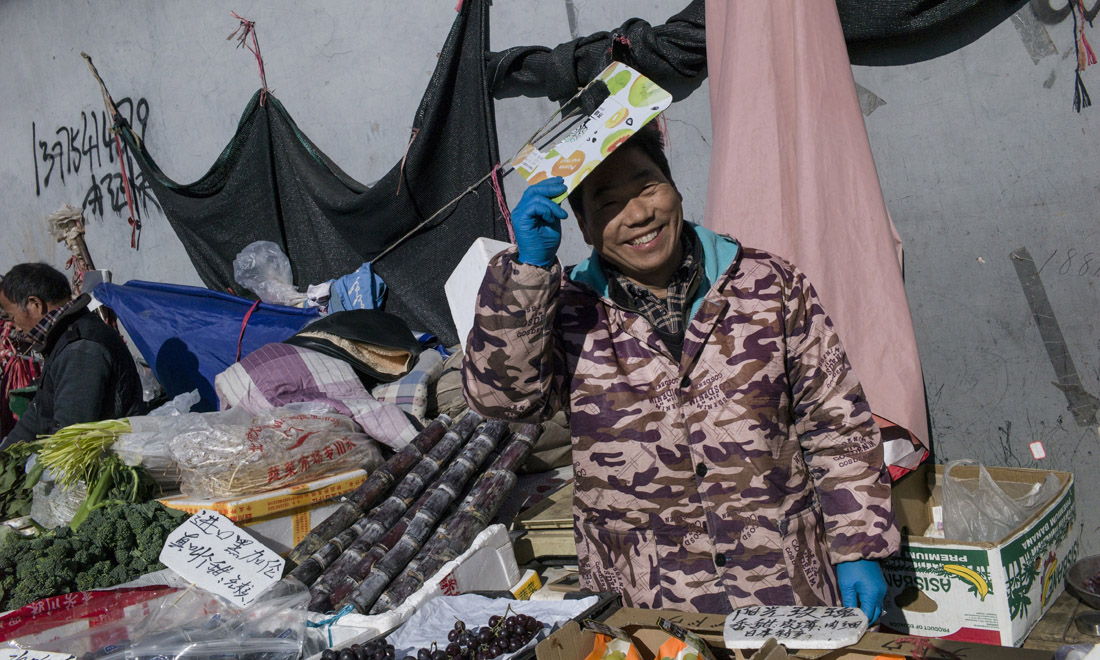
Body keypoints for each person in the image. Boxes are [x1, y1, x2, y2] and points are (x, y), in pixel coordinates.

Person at [462, 122, 899, 620]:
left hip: (783, 580)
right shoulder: (564, 313)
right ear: (582, 226)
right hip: (649, 599)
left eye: (648, 187)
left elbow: (835, 421)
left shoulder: (768, 286)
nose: (639, 214)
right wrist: (527, 272)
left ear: (675, 187)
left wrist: (857, 545)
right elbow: (502, 401)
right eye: (607, 203)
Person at [0, 263, 142, 449]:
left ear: (35, 304)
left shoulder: (80, 348)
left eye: (12, 317)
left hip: (106, 460)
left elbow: (70, 432)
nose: (16, 327)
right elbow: (38, 411)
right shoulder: (64, 337)